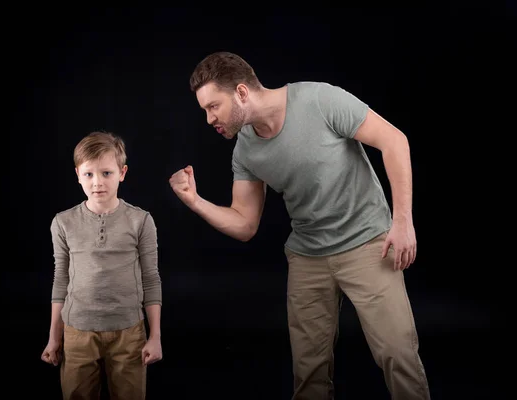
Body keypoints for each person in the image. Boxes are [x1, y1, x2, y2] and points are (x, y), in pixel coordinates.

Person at [169, 51, 431, 400]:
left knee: (399, 356)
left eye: (213, 106)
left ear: (242, 93)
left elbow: (394, 141)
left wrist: (402, 222)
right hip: (308, 257)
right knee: (309, 375)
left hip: (369, 244)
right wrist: (195, 201)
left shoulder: (321, 100)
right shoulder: (245, 150)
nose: (209, 118)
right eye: (205, 110)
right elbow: (245, 224)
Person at [41, 131, 163, 400]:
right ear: (78, 175)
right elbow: (61, 279)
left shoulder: (141, 221)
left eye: (107, 173)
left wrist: (155, 337)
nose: (97, 182)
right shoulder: (63, 222)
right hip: (77, 331)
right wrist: (54, 337)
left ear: (122, 172)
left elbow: (151, 279)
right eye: (89, 174)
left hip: (129, 332)